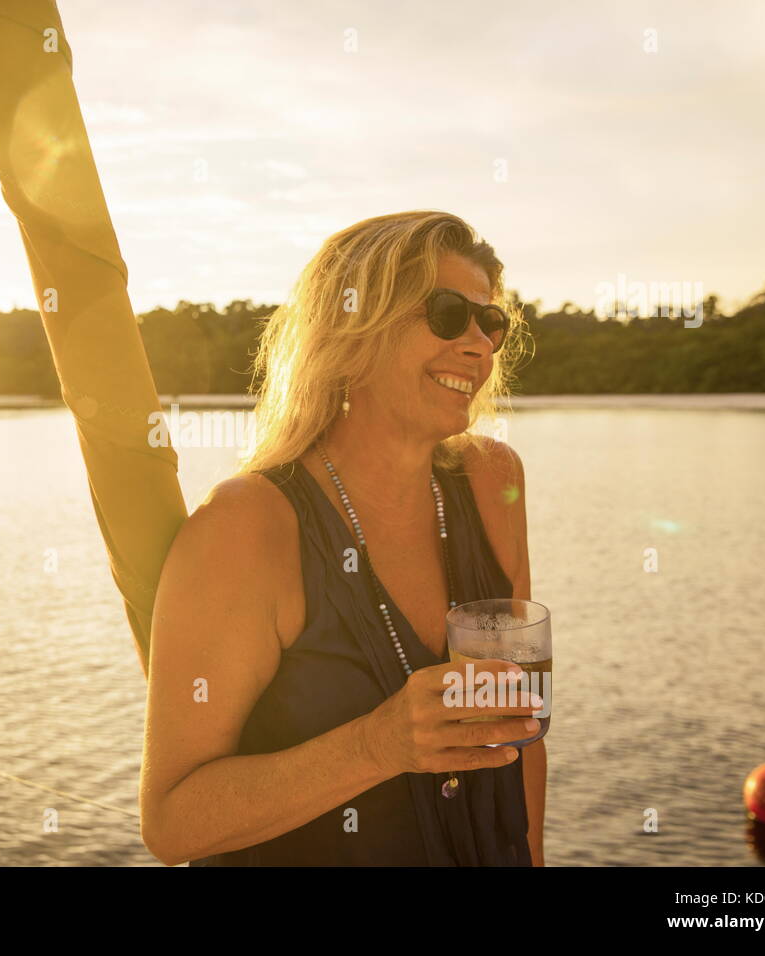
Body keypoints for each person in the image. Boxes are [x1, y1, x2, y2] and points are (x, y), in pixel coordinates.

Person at [139, 210, 546, 866]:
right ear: (352, 328)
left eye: (489, 322)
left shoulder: (492, 479)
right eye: (446, 314)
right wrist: (376, 746)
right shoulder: (248, 527)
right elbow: (174, 823)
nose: (478, 344)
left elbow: (520, 735)